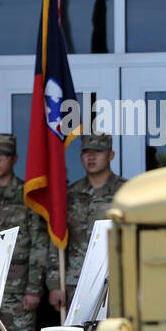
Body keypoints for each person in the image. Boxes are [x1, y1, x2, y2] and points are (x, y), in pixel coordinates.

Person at [0, 133, 48, 331]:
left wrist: (33, 288)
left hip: (17, 294)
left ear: (15, 158)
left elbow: (38, 243)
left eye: (3, 155)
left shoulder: (27, 196)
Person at [47, 132, 126, 312]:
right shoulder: (70, 194)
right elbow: (57, 241)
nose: (91, 157)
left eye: (98, 151)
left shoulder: (126, 192)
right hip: (77, 283)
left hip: (115, 280)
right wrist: (54, 284)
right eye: (86, 152)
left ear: (111, 155)